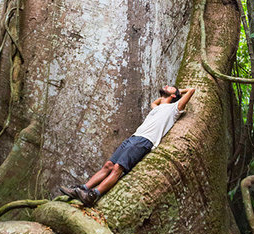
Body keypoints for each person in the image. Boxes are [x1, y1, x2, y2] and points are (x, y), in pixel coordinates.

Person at [59, 85, 196, 206]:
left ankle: (93, 195)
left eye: (170, 87)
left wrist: (179, 91)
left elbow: (191, 90)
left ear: (174, 96)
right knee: (108, 165)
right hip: (134, 138)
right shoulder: (158, 107)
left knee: (118, 168)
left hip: (145, 140)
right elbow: (154, 102)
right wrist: (171, 92)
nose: (166, 85)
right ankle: (83, 188)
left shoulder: (174, 109)